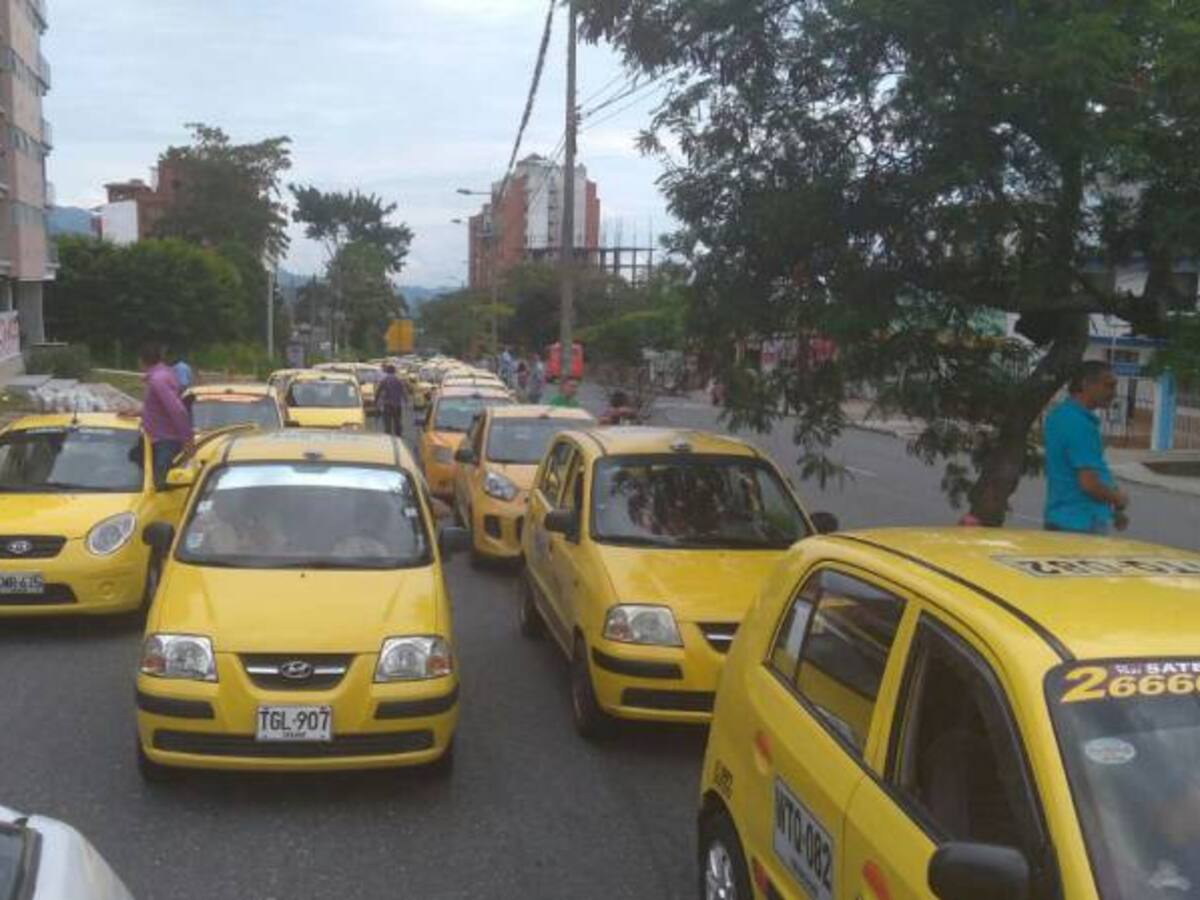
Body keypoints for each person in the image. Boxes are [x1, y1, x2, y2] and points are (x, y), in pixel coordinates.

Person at [1043, 360, 1129, 534]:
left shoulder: (1059, 415)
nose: (1113, 393)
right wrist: (1118, 498)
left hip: (1059, 517)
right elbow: (1089, 484)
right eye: (1108, 385)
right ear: (1086, 384)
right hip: (1081, 524)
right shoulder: (1080, 425)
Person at [123, 342, 194, 489]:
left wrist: (187, 439)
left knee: (161, 485)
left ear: (141, 361)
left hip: (166, 441)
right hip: (158, 440)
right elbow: (159, 408)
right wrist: (137, 413)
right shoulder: (160, 377)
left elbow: (177, 410)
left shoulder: (158, 380)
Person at [376, 363, 406, 437]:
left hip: (387, 404)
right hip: (397, 404)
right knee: (397, 421)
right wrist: (406, 400)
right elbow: (403, 391)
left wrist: (376, 401)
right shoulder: (398, 380)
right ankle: (398, 435)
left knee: (387, 422)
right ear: (394, 371)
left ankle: (388, 436)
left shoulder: (385, 380)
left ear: (387, 371)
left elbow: (378, 391)